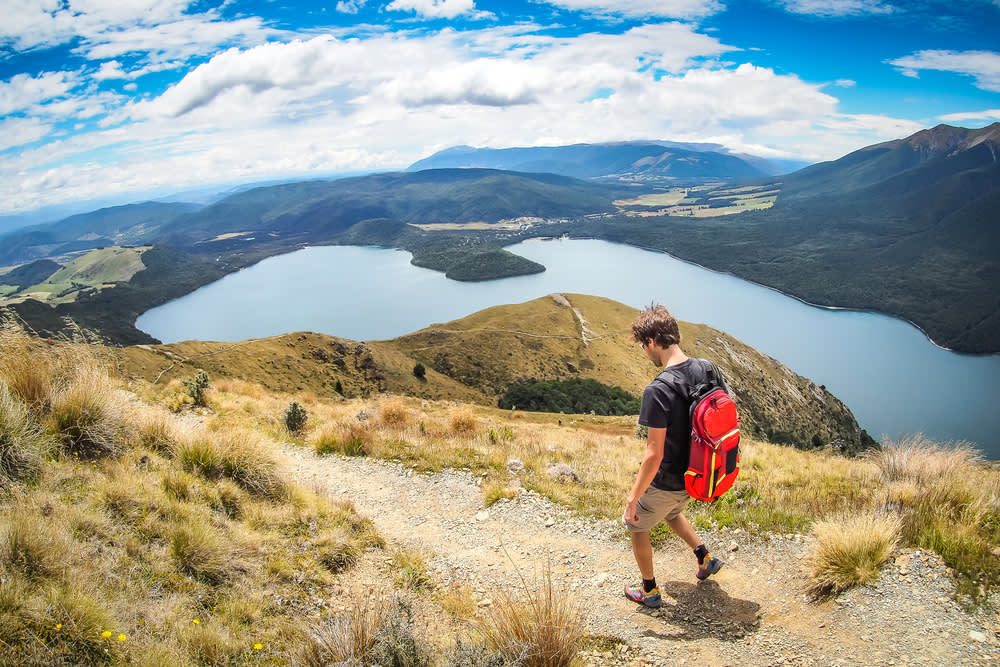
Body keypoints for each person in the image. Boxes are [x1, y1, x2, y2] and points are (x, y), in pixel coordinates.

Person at [622, 304, 724, 608]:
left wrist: (632, 499)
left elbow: (653, 455)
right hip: (701, 475)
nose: (644, 351)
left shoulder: (658, 390)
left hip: (669, 480)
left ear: (653, 341)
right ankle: (704, 558)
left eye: (643, 345)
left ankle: (649, 591)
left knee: (637, 524)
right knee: (672, 512)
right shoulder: (707, 368)